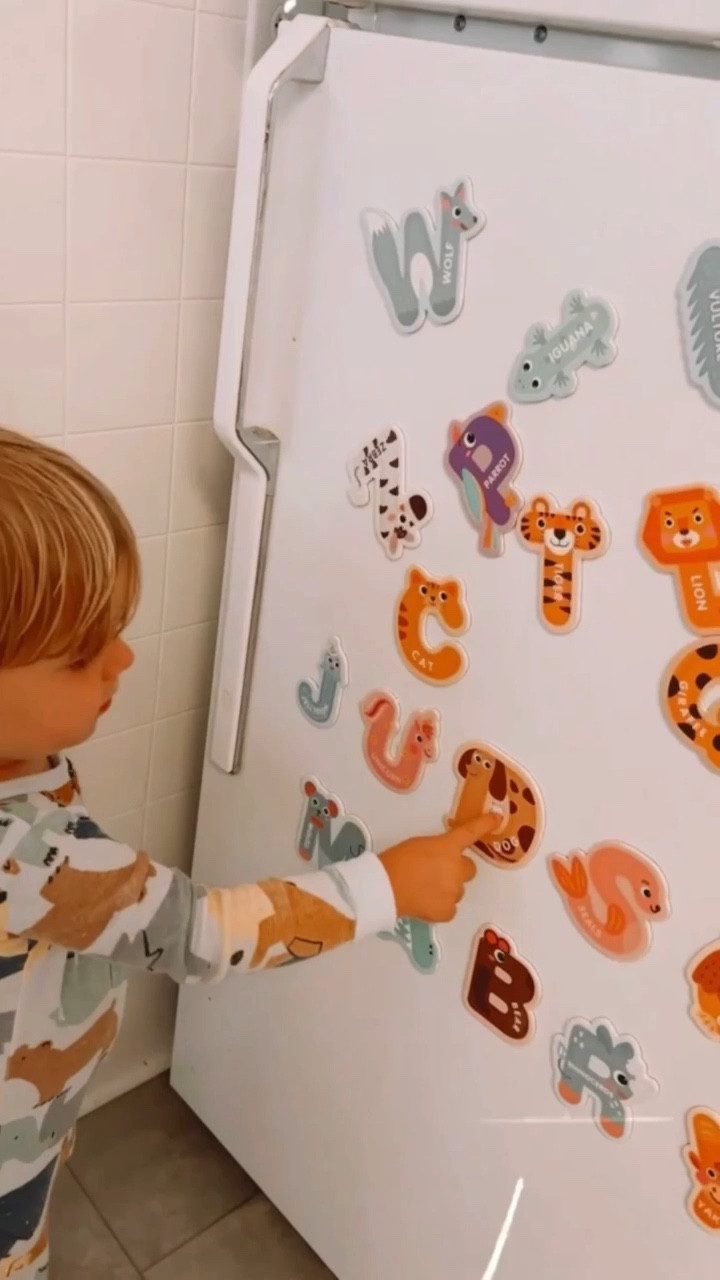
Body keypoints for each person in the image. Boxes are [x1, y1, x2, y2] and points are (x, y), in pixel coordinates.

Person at [0, 426, 498, 1276]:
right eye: (86, 654)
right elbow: (200, 932)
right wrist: (389, 885)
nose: (123, 658)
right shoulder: (32, 859)